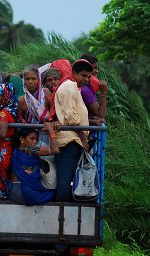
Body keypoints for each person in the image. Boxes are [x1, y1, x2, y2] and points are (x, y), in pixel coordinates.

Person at [52, 59, 92, 202]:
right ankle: (60, 215)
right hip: (70, 141)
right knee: (65, 182)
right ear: (74, 73)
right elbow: (71, 118)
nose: (86, 79)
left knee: (69, 181)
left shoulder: (74, 87)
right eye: (83, 75)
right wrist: (83, 139)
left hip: (74, 141)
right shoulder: (69, 86)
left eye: (88, 76)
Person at [9, 122, 60, 206]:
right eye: (32, 139)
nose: (35, 142)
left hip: (14, 192)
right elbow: (55, 150)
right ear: (22, 140)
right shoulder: (29, 149)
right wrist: (51, 130)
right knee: (56, 193)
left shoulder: (16, 150)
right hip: (27, 194)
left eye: (36, 139)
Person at [79, 54, 108, 126]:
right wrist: (103, 92)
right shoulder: (85, 90)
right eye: (94, 68)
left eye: (97, 68)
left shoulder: (86, 86)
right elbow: (101, 115)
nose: (97, 71)